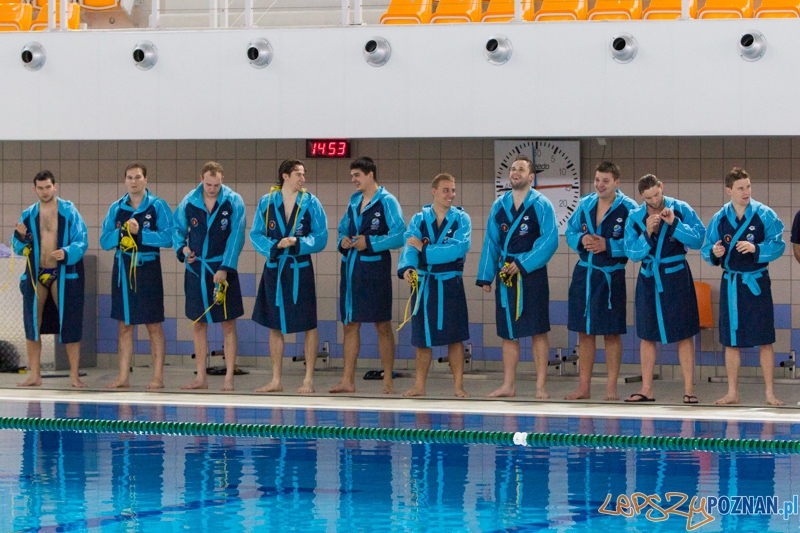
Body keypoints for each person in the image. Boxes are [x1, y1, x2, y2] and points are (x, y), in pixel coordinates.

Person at [476, 155, 558, 399]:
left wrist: (522, 263)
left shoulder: (542, 204)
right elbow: (491, 242)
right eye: (512, 168)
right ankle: (508, 385)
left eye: (521, 169)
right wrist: (486, 276)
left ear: (531, 177)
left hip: (531, 275)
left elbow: (549, 240)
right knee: (508, 332)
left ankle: (541, 386)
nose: (515, 172)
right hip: (505, 275)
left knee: (538, 330)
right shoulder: (499, 206)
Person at [701, 167, 784, 406]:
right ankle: (732, 392)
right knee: (730, 340)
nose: (746, 191)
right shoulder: (719, 218)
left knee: (765, 338)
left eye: (748, 186)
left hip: (756, 281)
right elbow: (708, 249)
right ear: (729, 190)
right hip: (732, 282)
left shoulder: (764, 214)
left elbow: (778, 245)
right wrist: (715, 253)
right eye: (740, 188)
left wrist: (756, 249)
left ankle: (770, 393)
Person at [624, 174, 705, 403]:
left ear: (662, 186)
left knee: (684, 333)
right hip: (649, 277)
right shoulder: (635, 217)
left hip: (676, 276)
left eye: (657, 194)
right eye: (649, 198)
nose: (654, 200)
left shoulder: (680, 209)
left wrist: (675, 225)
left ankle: (689, 389)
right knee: (647, 334)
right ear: (642, 196)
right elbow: (631, 252)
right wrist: (647, 233)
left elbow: (698, 240)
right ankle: (647, 388)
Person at [251, 160, 328, 394]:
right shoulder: (267, 202)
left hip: (299, 268)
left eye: (303, 174)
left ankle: (308, 379)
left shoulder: (311, 202)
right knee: (274, 325)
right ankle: (276, 379)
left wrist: (298, 242)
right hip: (275, 268)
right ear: (284, 176)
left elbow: (321, 236)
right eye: (298, 174)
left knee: (308, 324)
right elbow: (255, 235)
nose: (302, 179)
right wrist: (275, 245)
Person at [329, 156, 405, 394]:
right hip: (351, 272)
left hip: (374, 272)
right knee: (350, 324)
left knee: (382, 324)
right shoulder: (354, 202)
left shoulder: (387, 202)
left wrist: (370, 242)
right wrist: (343, 241)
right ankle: (347, 380)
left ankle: (387, 381)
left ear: (370, 174)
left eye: (357, 176)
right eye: (352, 176)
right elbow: (343, 229)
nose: (353, 180)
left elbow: (399, 234)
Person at [565, 161, 637, 402]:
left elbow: (635, 244)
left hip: (611, 276)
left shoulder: (629, 208)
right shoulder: (586, 203)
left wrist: (609, 245)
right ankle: (583, 387)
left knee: (611, 334)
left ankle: (611, 389)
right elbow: (570, 231)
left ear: (617, 182)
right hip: (584, 274)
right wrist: (581, 239)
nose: (600, 185)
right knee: (584, 333)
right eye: (597, 180)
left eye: (605, 181)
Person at [100, 162, 174, 390]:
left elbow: (168, 238)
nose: (133, 181)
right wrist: (122, 231)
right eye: (129, 177)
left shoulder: (158, 206)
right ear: (125, 181)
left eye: (138, 177)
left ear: (146, 180)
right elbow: (104, 241)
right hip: (123, 269)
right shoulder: (117, 208)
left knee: (153, 325)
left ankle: (158, 377)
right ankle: (123, 376)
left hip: (148, 270)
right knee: (124, 326)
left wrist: (140, 233)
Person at [10, 170, 88, 388]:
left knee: (70, 322)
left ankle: (74, 375)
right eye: (40, 188)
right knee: (32, 323)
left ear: (55, 187)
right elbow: (16, 247)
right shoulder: (28, 214)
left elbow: (81, 241)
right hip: (37, 273)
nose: (44, 192)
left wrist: (66, 252)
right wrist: (20, 237)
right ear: (34, 189)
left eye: (48, 187)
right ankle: (35, 375)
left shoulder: (69, 211)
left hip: (61, 273)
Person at [173, 162, 246, 391]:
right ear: (201, 179)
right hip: (197, 271)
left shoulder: (233, 201)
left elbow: (237, 236)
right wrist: (184, 251)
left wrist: (225, 267)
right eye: (208, 184)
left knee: (228, 325)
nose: (212, 188)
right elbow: (177, 230)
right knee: (198, 325)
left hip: (223, 269)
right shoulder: (189, 201)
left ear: (222, 180)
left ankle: (228, 378)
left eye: (216, 184)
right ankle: (201, 377)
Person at [398, 173, 471, 398]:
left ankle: (458, 386)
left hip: (450, 283)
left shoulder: (461, 219)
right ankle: (420, 385)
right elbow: (409, 245)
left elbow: (457, 249)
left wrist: (425, 250)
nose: (451, 195)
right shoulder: (419, 219)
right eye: (446, 190)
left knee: (455, 337)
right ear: (434, 191)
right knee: (422, 338)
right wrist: (408, 267)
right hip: (424, 284)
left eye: (453, 190)